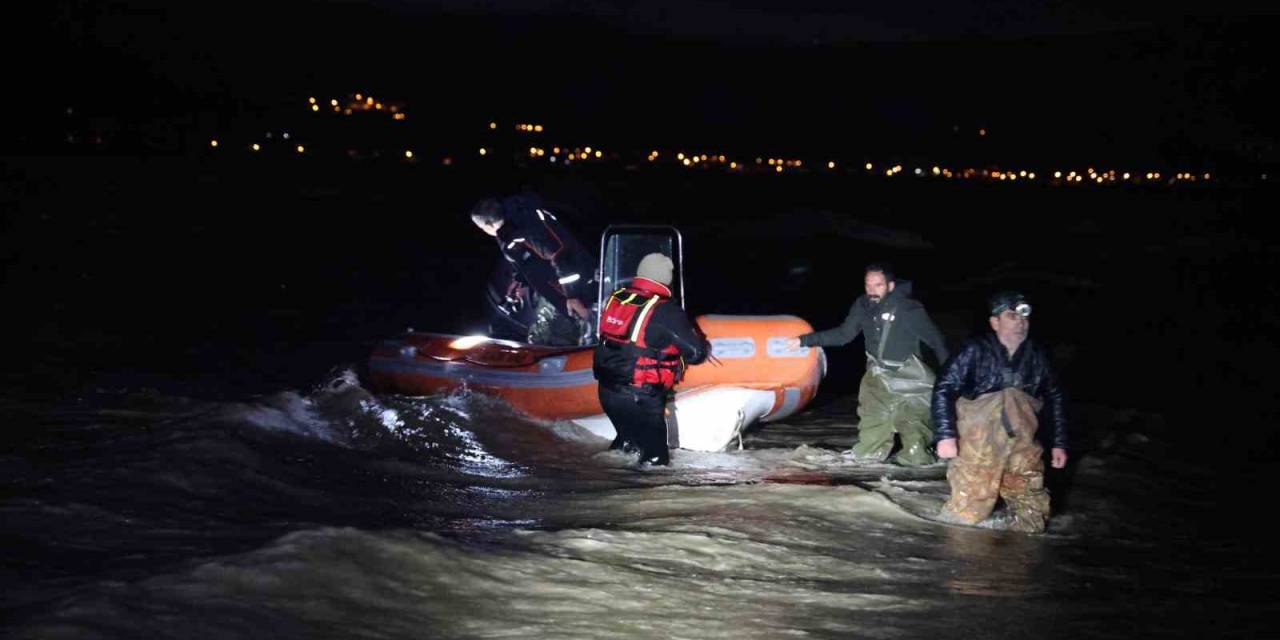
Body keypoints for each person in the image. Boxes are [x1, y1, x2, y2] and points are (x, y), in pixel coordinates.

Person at [931, 291, 1068, 533]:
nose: (1020, 322)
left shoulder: (1037, 356)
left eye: (1024, 317)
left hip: (1022, 445)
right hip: (978, 447)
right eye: (1012, 316)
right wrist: (945, 435)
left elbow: (1055, 398)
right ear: (995, 322)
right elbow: (944, 388)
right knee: (965, 517)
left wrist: (1059, 443)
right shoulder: (974, 350)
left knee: (1032, 518)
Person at [786, 265, 949, 466]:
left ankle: (922, 458)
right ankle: (870, 455)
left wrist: (949, 377)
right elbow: (843, 335)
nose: (872, 290)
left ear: (890, 285)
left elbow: (937, 341)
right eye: (868, 285)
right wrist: (804, 341)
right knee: (872, 419)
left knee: (915, 439)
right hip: (877, 375)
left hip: (911, 379)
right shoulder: (862, 305)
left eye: (878, 285)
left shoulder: (909, 308)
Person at [593, 253, 709, 466]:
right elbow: (696, 353)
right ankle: (642, 496)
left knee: (626, 446)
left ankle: (607, 487)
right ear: (666, 278)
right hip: (640, 397)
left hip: (607, 391)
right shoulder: (666, 310)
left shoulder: (618, 297)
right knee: (655, 463)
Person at [470, 193, 596, 346]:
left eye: (482, 228)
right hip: (559, 291)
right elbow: (527, 259)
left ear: (489, 224)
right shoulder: (512, 227)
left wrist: (573, 295)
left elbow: (560, 256)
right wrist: (520, 281)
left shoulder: (524, 229)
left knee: (546, 341)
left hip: (572, 292)